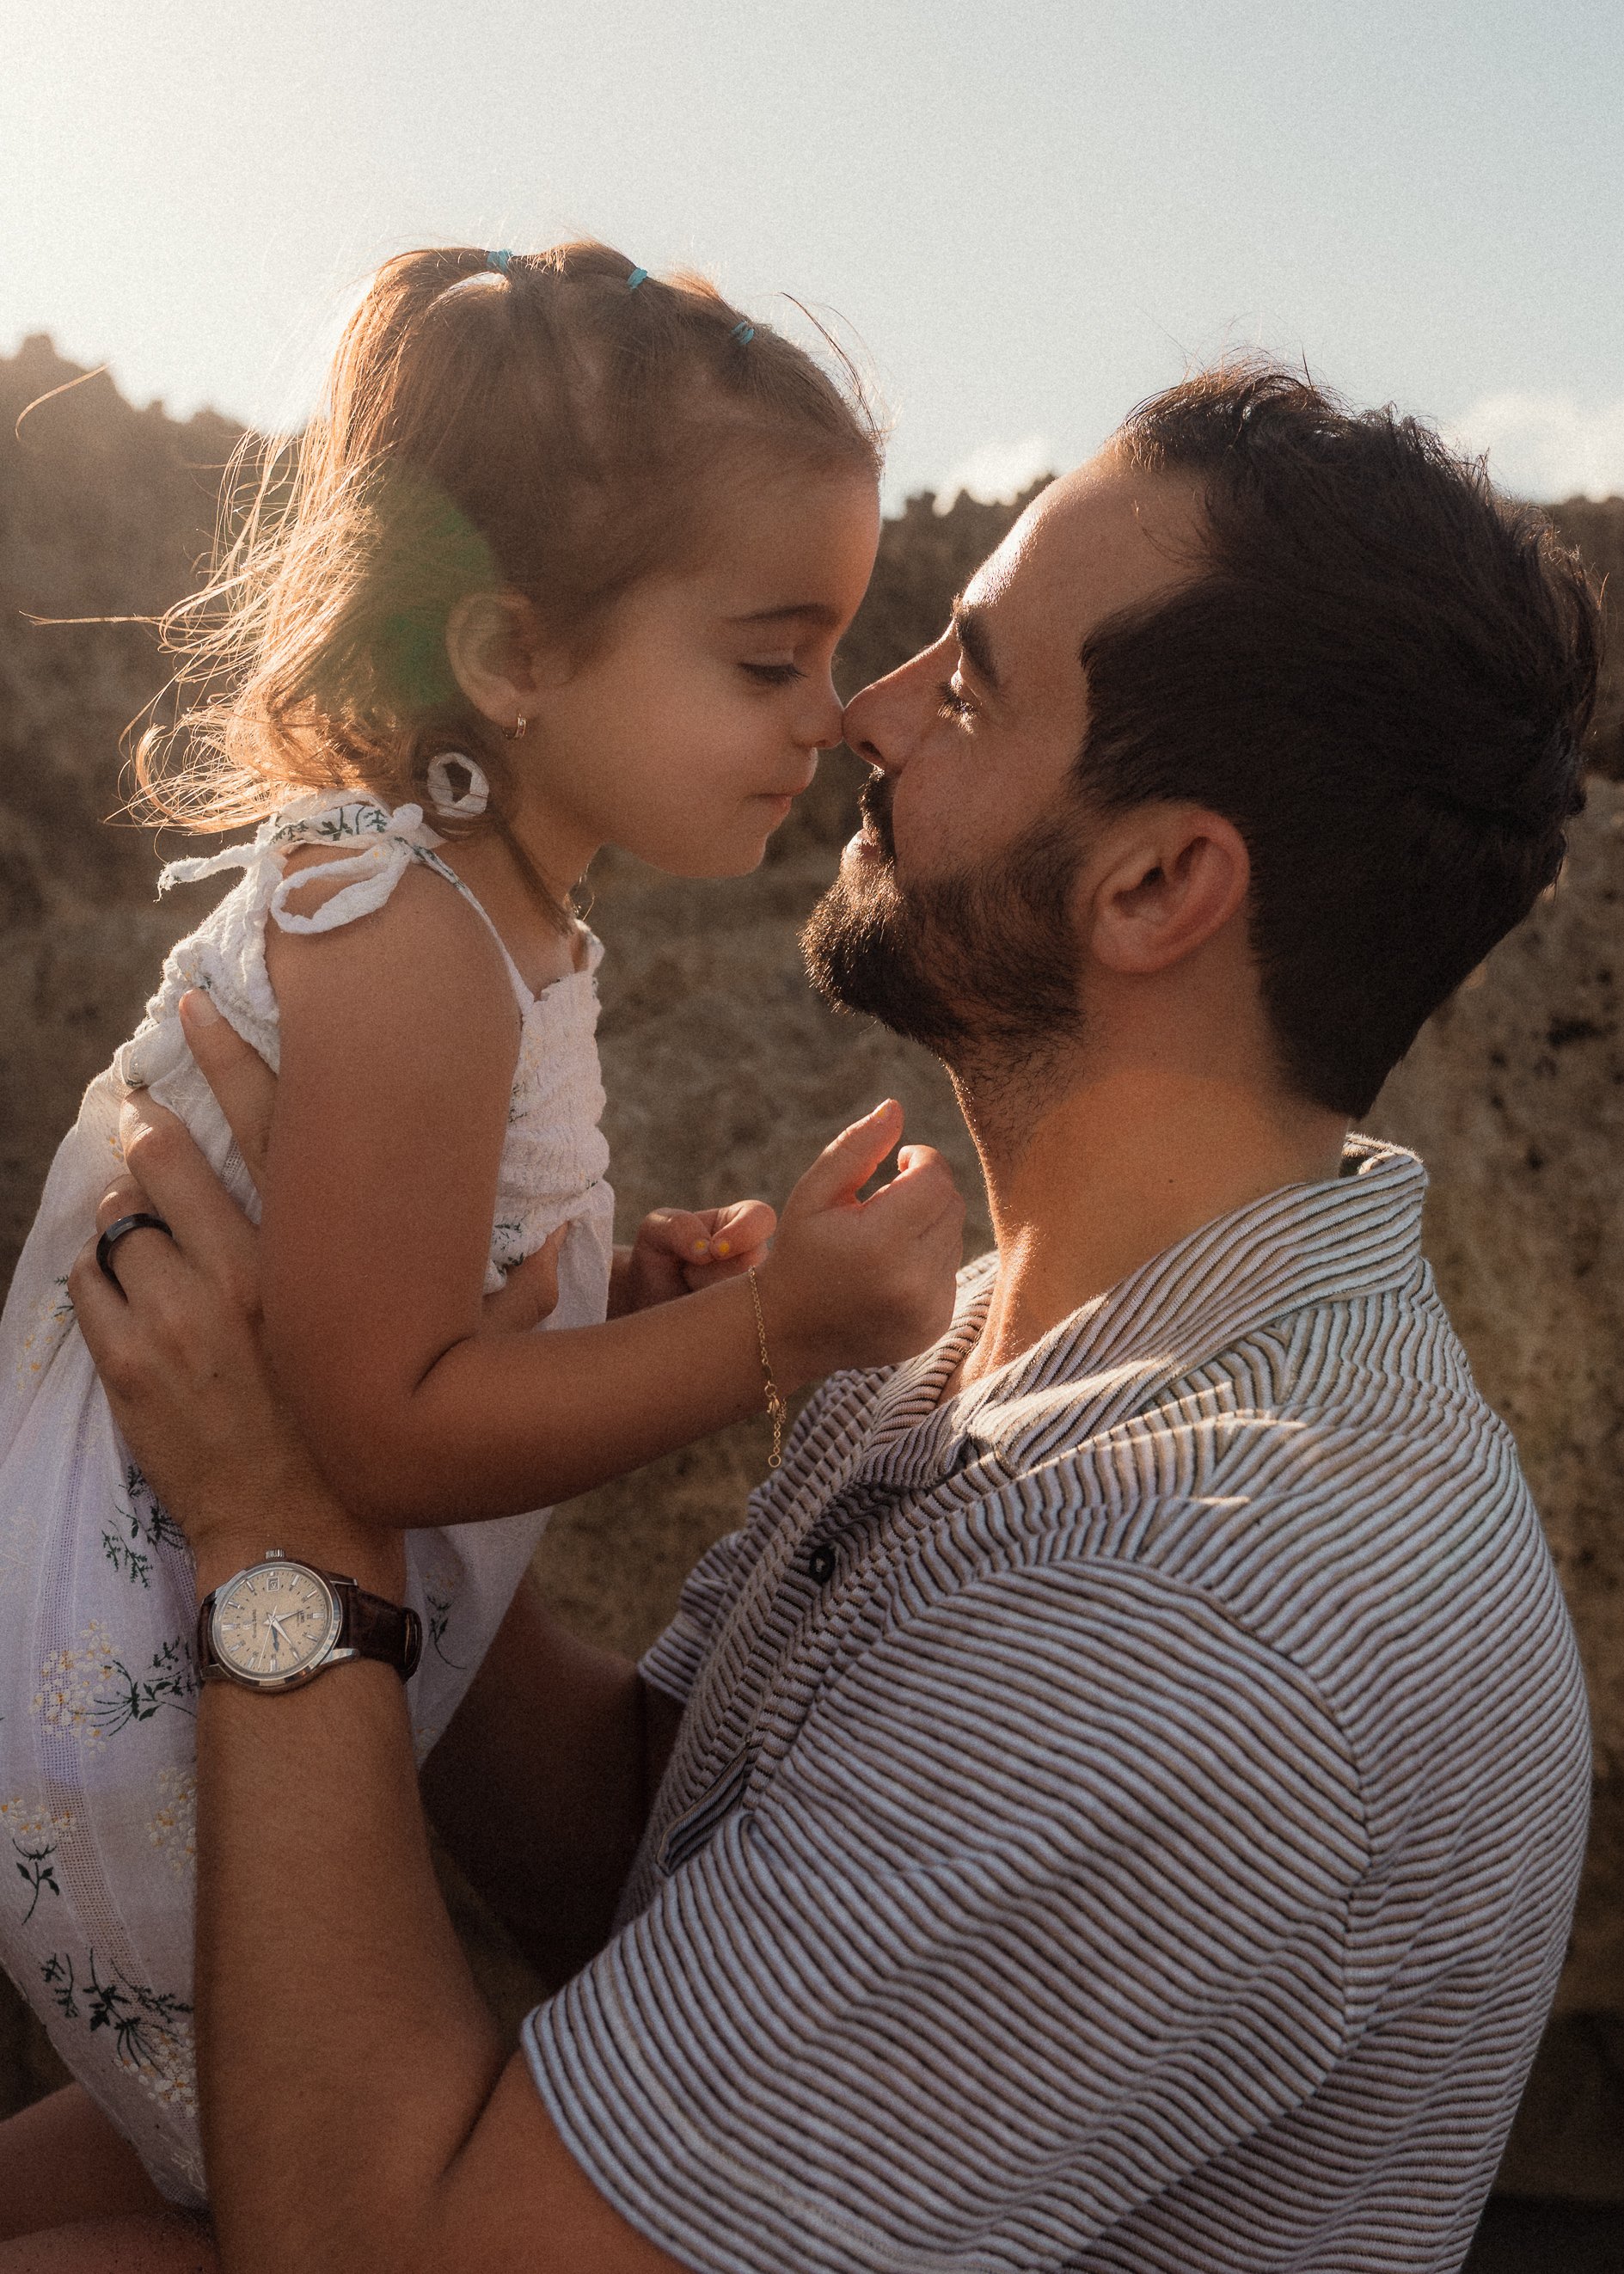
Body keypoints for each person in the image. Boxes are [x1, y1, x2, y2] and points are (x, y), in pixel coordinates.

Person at [9, 361, 1602, 2273]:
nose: (864, 709)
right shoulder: (1005, 1340)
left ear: (1162, 882)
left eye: (970, 678)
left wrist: (280, 1526)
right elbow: (660, 1858)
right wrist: (406, 1398)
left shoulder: (1206, 1613)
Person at [0, 242, 963, 2213]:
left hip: (197, 1658)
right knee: (331, 2196)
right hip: (135, 1718)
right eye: (768, 659)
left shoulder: (495, 923)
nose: (833, 716)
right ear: (515, 658)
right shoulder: (417, 941)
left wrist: (605, 1305)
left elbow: (383, 1320)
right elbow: (366, 1435)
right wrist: (770, 1338)